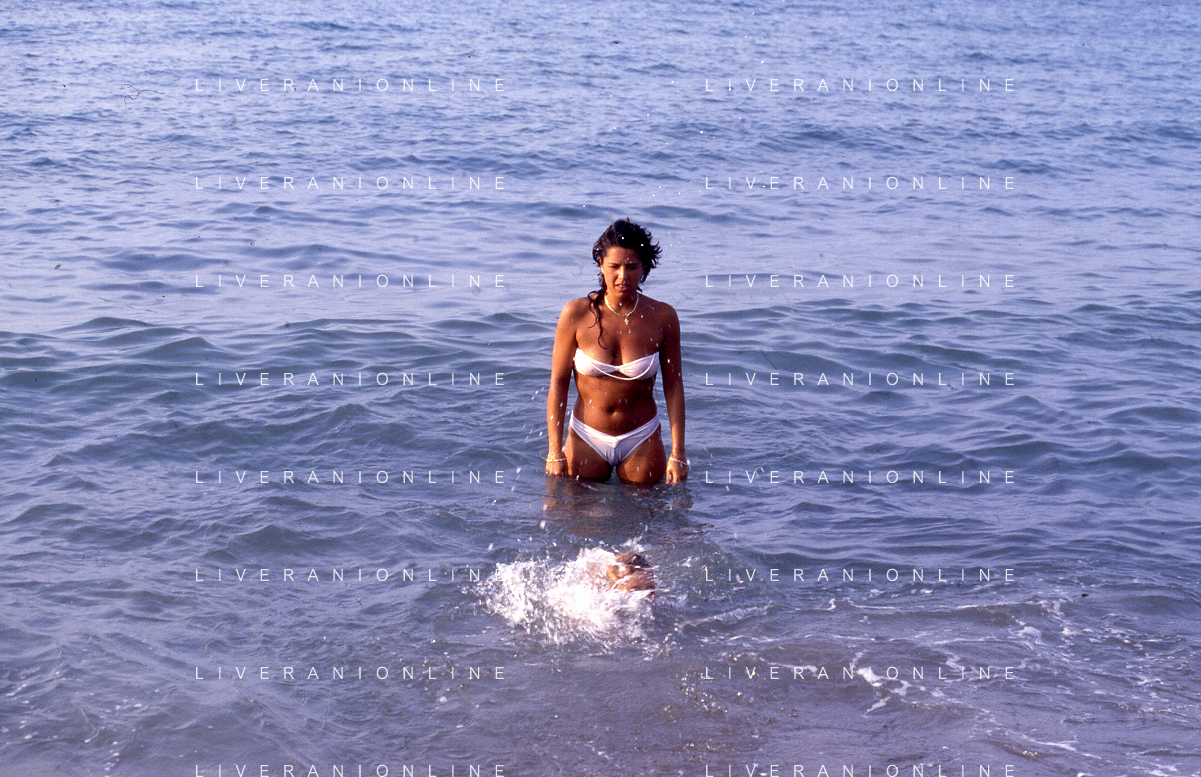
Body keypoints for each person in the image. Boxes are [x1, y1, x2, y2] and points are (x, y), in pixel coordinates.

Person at [545, 219, 687, 485]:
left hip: (642, 436)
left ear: (644, 267)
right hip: (586, 435)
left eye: (632, 267)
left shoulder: (663, 317)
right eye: (614, 266)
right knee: (573, 510)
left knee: (649, 510)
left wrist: (678, 454)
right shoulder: (576, 314)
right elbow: (558, 382)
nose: (623, 276)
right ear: (601, 264)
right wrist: (554, 451)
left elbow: (674, 386)